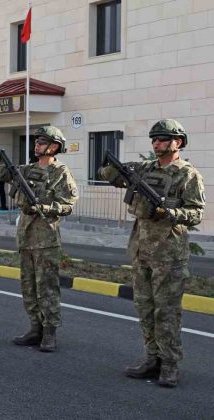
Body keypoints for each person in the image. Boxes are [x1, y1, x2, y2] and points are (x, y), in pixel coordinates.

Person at [98, 119, 205, 387]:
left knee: (166, 311)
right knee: (145, 307)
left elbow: (196, 213)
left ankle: (169, 365)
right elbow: (110, 176)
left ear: (177, 142)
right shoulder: (144, 169)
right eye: (153, 139)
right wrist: (111, 167)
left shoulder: (187, 174)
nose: (156, 143)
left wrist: (170, 212)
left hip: (169, 251)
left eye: (162, 138)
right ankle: (151, 358)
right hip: (141, 248)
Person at [0, 126, 78, 351]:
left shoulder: (60, 172)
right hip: (26, 236)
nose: (37, 145)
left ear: (54, 147)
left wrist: (47, 207)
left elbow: (68, 204)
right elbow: (0, 174)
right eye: (36, 141)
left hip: (46, 238)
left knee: (47, 287)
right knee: (28, 285)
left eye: (42, 142)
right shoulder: (27, 169)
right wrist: (3, 168)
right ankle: (35, 327)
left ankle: (50, 331)